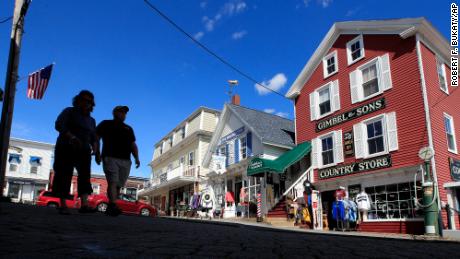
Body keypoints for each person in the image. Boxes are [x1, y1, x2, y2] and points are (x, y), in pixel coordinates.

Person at [52, 90, 97, 214]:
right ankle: (63, 204)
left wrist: (95, 147)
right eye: (84, 100)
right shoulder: (69, 111)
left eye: (90, 101)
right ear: (78, 100)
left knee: (85, 175)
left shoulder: (92, 120)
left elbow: (94, 136)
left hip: (84, 150)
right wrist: (71, 137)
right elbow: (59, 124)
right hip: (66, 146)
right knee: (64, 173)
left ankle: (84, 204)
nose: (87, 103)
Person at [95, 105, 140, 216]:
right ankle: (112, 205)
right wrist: (97, 152)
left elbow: (133, 144)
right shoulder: (105, 124)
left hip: (126, 160)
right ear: (114, 113)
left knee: (119, 185)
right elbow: (96, 137)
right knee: (112, 182)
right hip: (110, 157)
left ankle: (112, 205)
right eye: (121, 111)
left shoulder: (128, 128)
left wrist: (137, 158)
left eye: (125, 113)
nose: (123, 114)